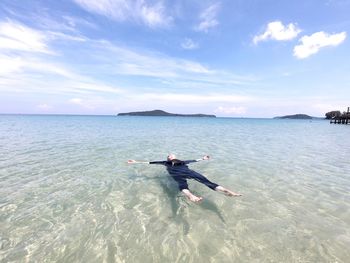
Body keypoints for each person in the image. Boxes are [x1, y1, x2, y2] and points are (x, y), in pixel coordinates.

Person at [127, 154, 242, 203]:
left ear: (174, 158)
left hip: (180, 174)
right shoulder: (171, 162)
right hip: (187, 172)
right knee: (203, 182)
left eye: (171, 156)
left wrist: (203, 158)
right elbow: (150, 162)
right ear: (169, 158)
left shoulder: (168, 162)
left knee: (184, 185)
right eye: (169, 156)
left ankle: (225, 191)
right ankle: (191, 196)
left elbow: (194, 160)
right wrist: (135, 161)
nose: (170, 156)